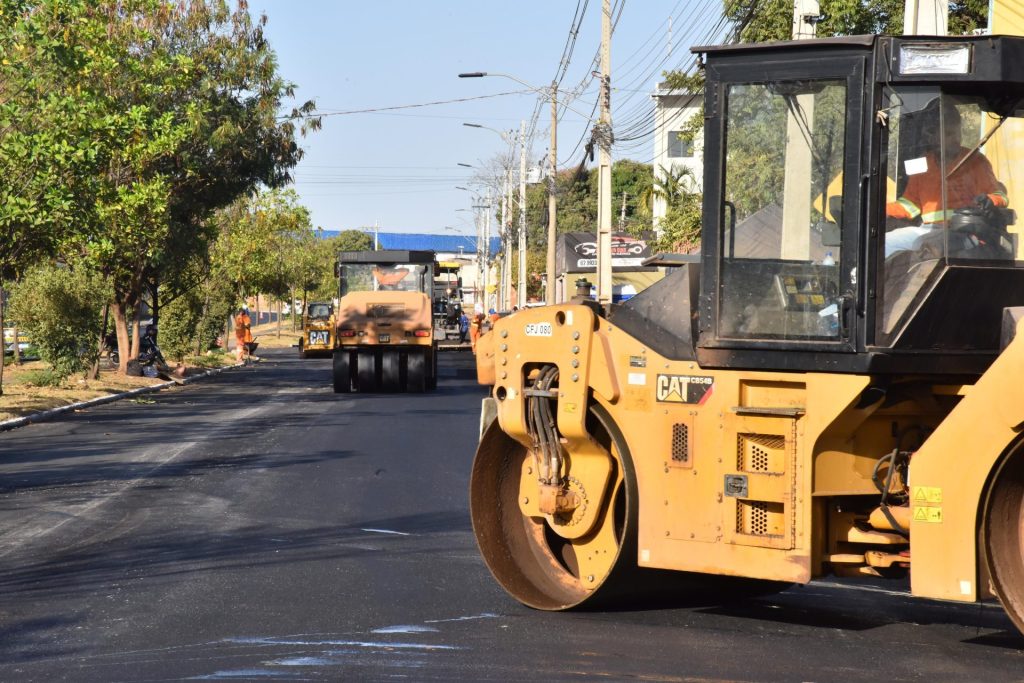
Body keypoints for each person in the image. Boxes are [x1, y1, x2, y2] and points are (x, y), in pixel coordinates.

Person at [885, 99, 1008, 256]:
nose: (955, 138)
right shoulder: (921, 163)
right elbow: (911, 205)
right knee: (885, 243)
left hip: (962, 229)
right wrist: (882, 209)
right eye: (947, 133)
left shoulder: (976, 161)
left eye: (956, 132)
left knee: (924, 244)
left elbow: (1000, 196)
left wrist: (990, 201)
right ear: (931, 136)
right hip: (928, 229)